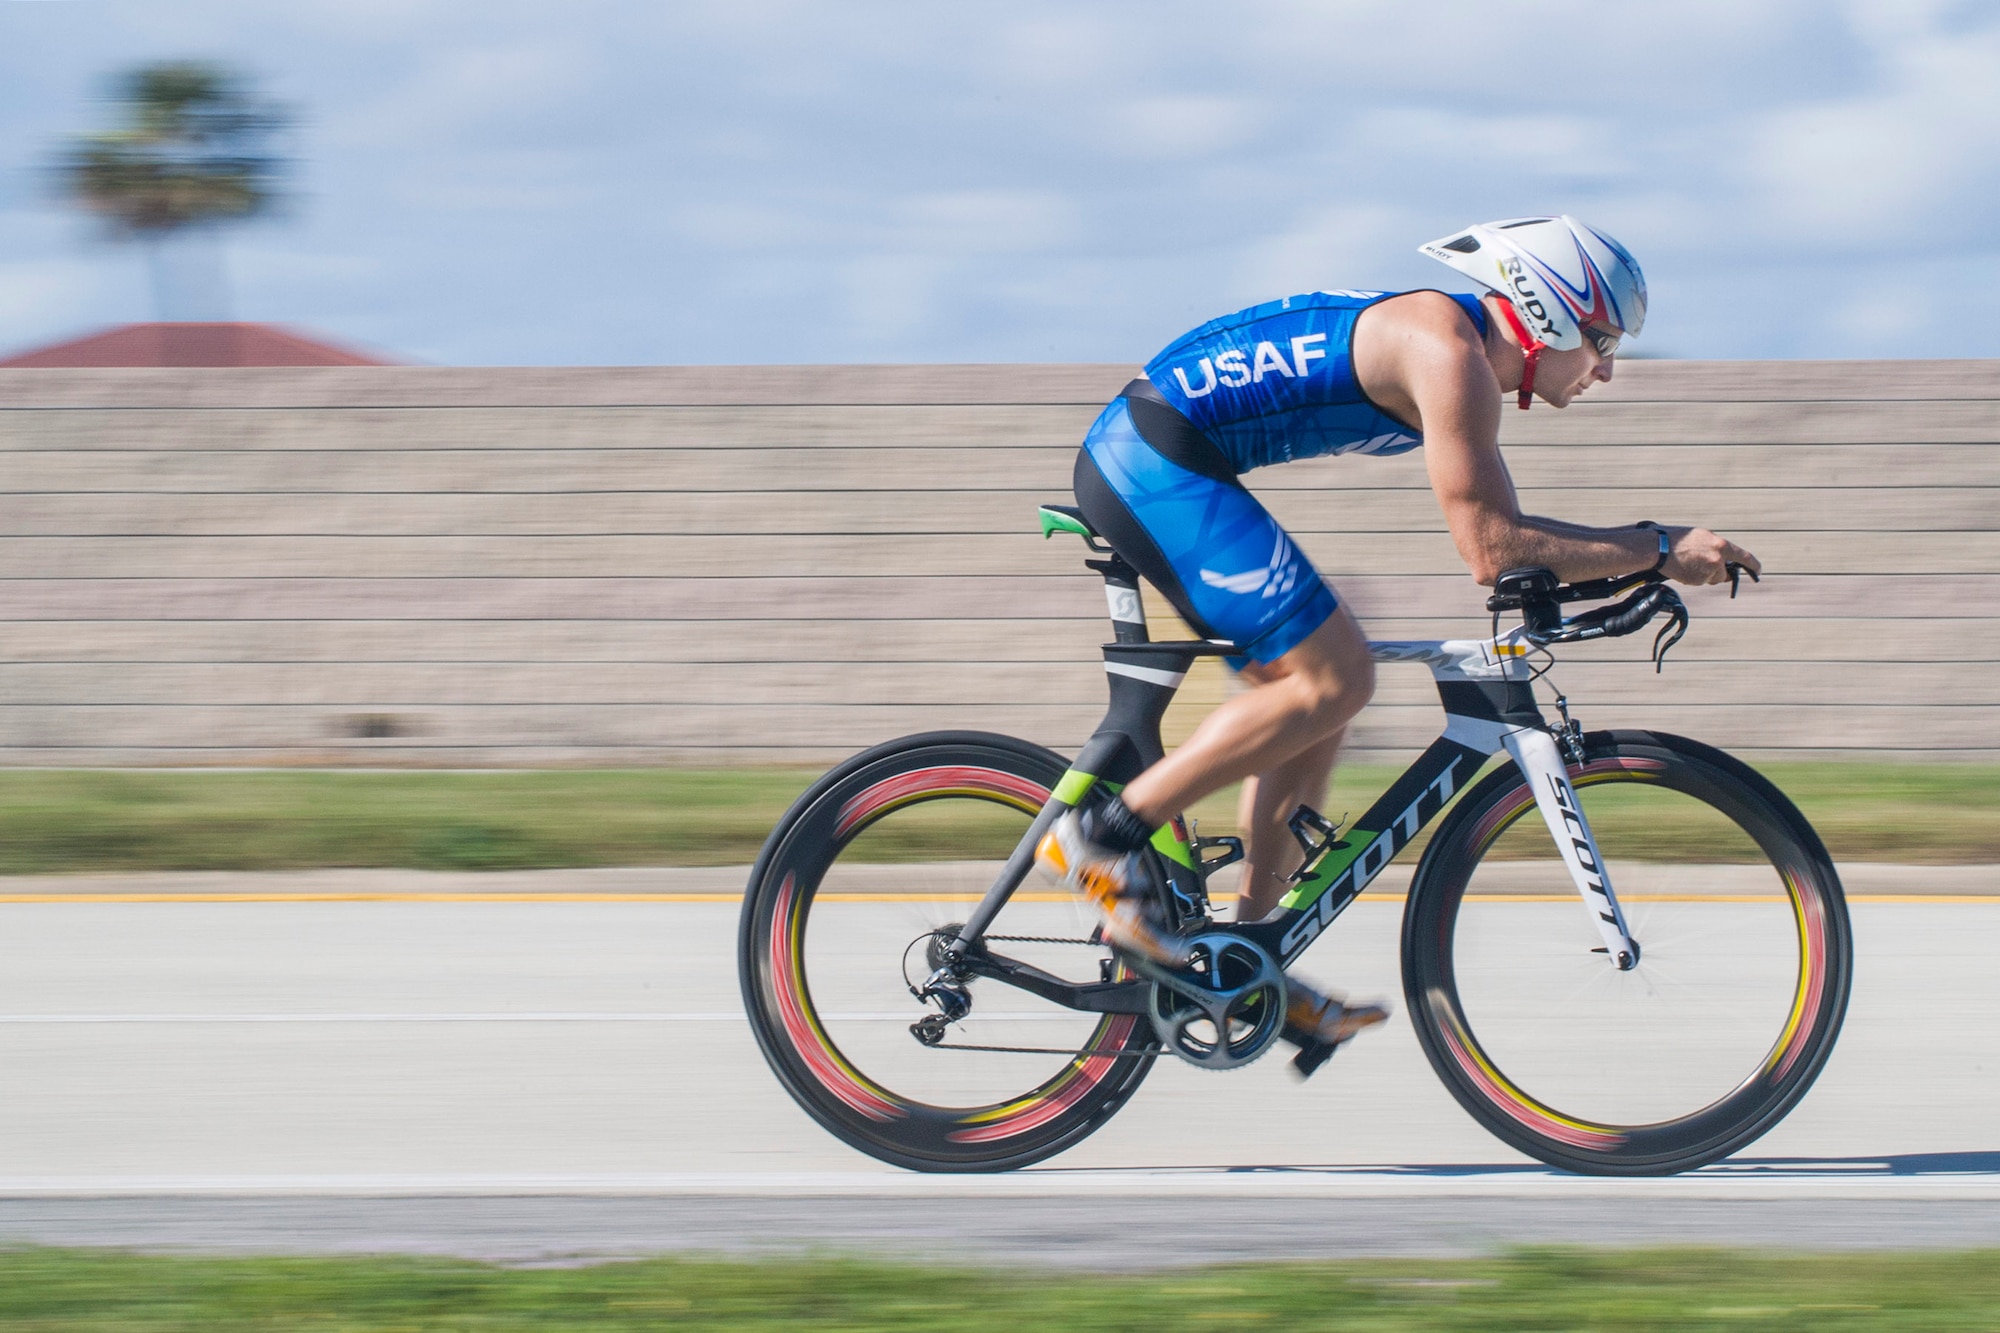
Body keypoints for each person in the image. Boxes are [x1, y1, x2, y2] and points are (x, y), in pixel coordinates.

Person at [1034, 214, 1762, 1050]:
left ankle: (1244, 957)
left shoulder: (1460, 351)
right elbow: (1493, 549)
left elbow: (1513, 539)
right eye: (1600, 338)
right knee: (1333, 675)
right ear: (1546, 310)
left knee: (1318, 680)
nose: (1606, 367)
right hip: (1150, 460)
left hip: (1171, 455)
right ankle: (1102, 835)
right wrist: (1661, 548)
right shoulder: (1449, 357)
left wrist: (1636, 559)